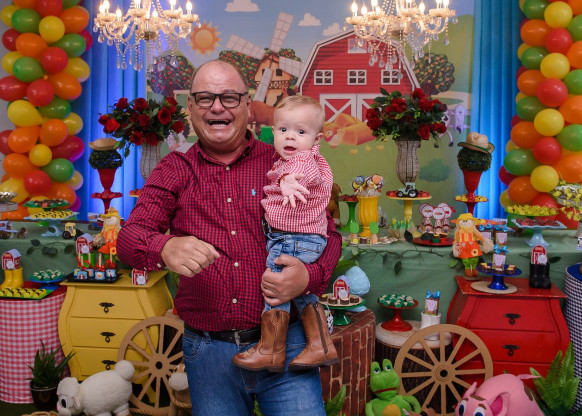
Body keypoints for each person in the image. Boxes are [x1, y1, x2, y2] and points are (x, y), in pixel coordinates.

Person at [116, 59, 342, 415]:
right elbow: (129, 239)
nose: (217, 107)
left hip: (289, 347)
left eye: (229, 97)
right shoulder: (174, 169)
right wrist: (166, 246)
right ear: (191, 108)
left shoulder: (284, 163)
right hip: (209, 355)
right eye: (205, 98)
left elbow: (329, 235)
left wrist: (307, 277)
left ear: (247, 106)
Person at [232, 95, 338, 373]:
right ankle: (321, 345)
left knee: (276, 288)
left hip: (293, 238)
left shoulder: (303, 160)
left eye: (301, 132)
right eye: (283, 129)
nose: (290, 136)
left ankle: (270, 350)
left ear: (317, 139)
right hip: (304, 239)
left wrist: (287, 181)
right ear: (273, 131)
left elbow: (301, 174)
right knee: (299, 292)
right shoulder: (287, 160)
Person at [452, 212, 494, 277]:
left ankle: (474, 268)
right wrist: (454, 246)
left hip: (473, 246)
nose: (465, 223)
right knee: (465, 259)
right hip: (463, 247)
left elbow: (479, 235)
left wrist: (484, 240)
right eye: (463, 221)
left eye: (467, 221)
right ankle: (467, 269)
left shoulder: (473, 230)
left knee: (474, 258)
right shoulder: (458, 232)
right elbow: (456, 240)